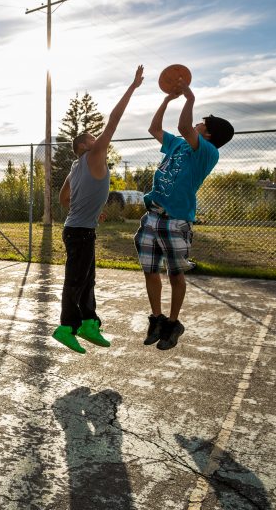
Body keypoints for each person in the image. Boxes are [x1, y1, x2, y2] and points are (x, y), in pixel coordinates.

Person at [52, 66, 145, 353]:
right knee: (76, 280)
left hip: (79, 228)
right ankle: (66, 326)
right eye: (93, 137)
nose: (99, 139)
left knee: (88, 279)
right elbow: (114, 120)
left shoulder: (75, 166)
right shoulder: (92, 155)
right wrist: (132, 87)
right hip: (79, 232)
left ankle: (89, 322)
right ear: (84, 145)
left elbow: (63, 197)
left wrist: (89, 211)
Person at [135, 83, 234, 350]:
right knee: (150, 270)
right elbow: (154, 129)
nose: (197, 124)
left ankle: (173, 323)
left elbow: (183, 127)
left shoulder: (207, 152)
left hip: (176, 219)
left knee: (175, 274)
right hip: (153, 215)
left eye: (202, 123)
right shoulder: (178, 145)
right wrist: (167, 101)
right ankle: (156, 319)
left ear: (209, 133)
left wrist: (189, 97)